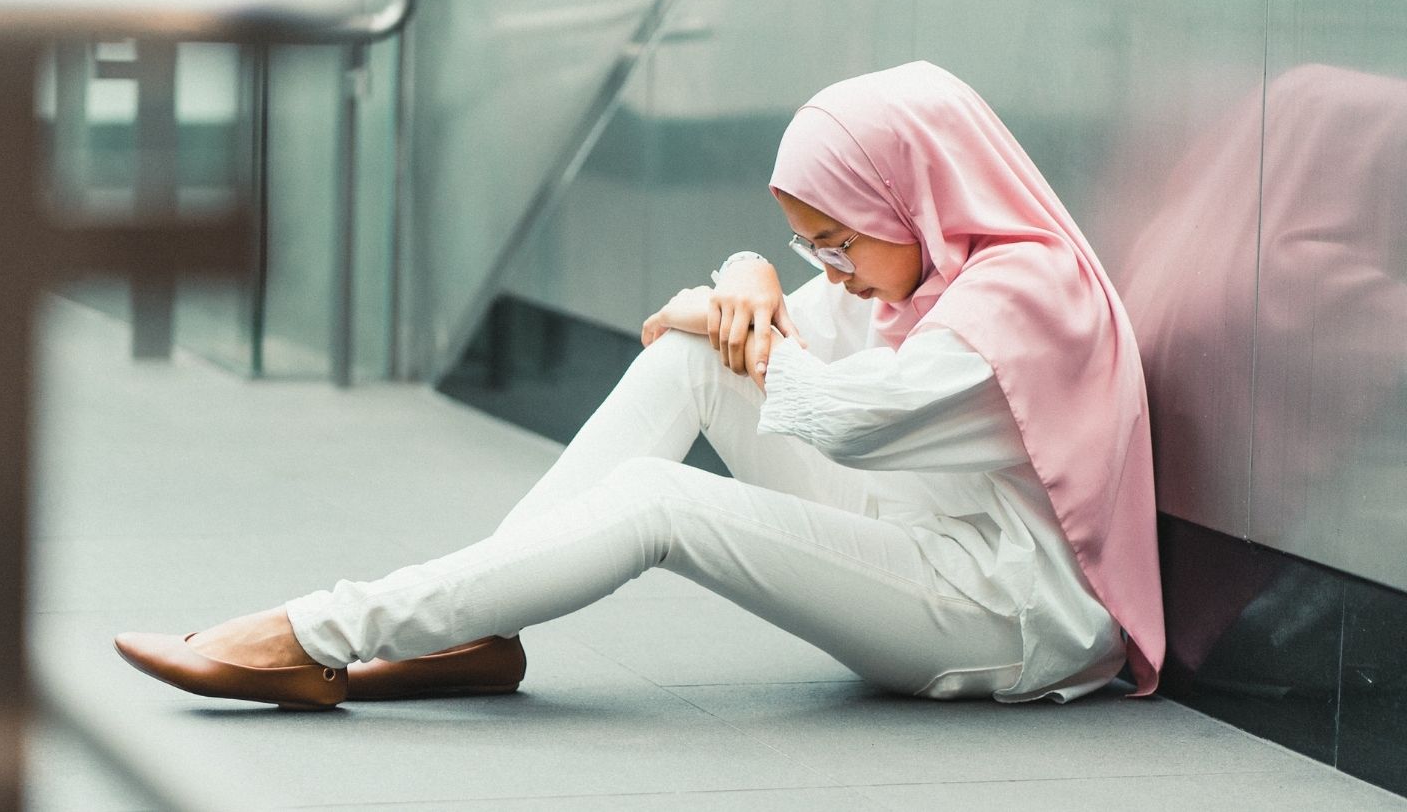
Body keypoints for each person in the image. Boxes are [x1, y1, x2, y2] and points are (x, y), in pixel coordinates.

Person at [113, 60, 1165, 710]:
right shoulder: (926, 266)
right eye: (811, 244)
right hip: (921, 540)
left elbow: (842, 419)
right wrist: (749, 279)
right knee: (693, 359)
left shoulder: (1022, 296)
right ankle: (479, 631)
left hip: (1001, 615)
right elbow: (747, 320)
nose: (829, 268)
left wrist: (740, 298)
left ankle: (327, 631)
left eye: (837, 242)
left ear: (913, 195)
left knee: (665, 500)